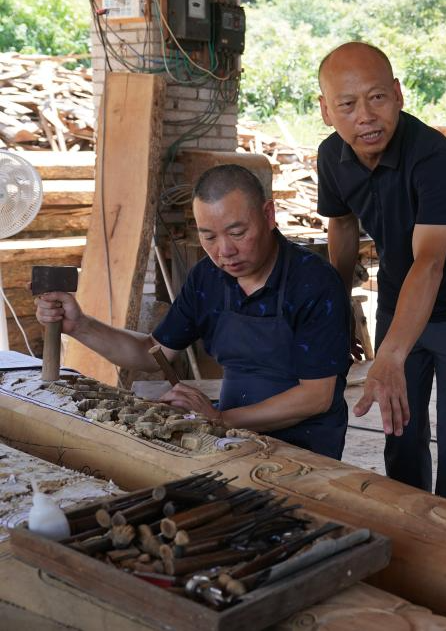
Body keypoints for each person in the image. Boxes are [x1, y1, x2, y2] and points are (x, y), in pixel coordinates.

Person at [35, 165, 351, 459]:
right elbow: (151, 353)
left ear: (269, 215)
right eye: (208, 236)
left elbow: (316, 396)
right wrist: (81, 326)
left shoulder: (313, 282)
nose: (224, 251)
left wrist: (221, 418)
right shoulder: (207, 278)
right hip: (229, 436)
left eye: (237, 233)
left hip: (305, 446)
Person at [316, 42, 446, 512]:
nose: (365, 116)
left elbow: (431, 261)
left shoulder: (432, 156)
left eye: (377, 97)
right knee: (399, 427)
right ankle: (410, 523)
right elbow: (341, 226)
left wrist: (391, 353)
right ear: (325, 111)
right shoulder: (331, 157)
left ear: (398, 95)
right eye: (347, 104)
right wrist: (338, 310)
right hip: (401, 296)